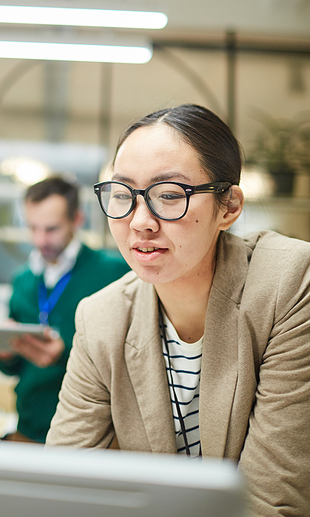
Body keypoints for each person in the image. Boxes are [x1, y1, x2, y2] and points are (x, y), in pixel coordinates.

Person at [46, 104, 310, 516]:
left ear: (229, 207)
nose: (140, 222)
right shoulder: (101, 318)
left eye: (169, 195)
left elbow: (269, 501)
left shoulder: (288, 282)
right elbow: (59, 485)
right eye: (123, 195)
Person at [0, 175, 129, 443]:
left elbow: (128, 363)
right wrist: (6, 353)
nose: (40, 239)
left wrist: (64, 354)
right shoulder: (23, 280)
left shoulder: (114, 273)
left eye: (51, 229)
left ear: (77, 219)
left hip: (91, 434)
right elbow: (11, 370)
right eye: (32, 228)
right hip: (30, 427)